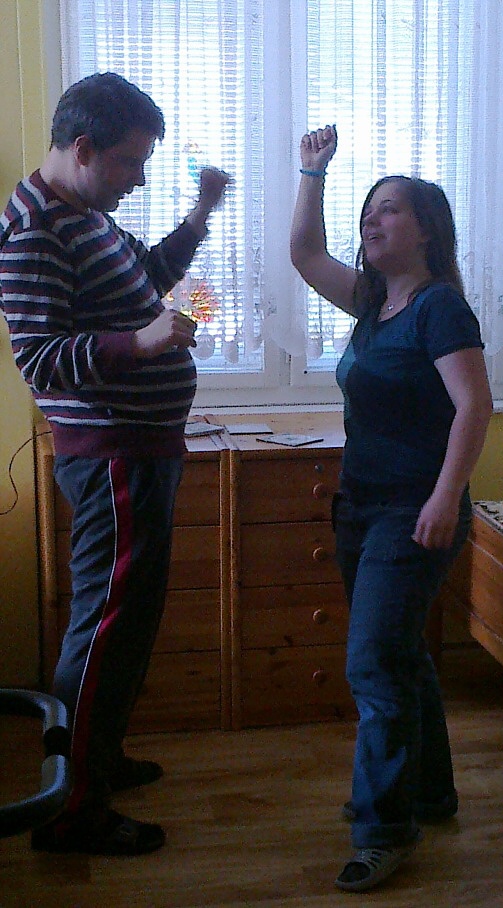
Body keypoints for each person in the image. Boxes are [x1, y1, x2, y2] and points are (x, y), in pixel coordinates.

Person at [0, 72, 230, 855]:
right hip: (111, 460)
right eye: (130, 162)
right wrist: (142, 342)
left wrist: (199, 215)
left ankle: (97, 759)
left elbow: (148, 277)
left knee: (126, 623)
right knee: (103, 628)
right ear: (83, 147)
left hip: (140, 451)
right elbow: (39, 360)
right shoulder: (36, 229)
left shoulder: (85, 215)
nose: (138, 179)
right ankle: (72, 811)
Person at [290, 125, 493, 893]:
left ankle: (383, 830)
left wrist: (444, 496)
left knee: (372, 662)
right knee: (400, 654)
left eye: (389, 209)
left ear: (426, 229)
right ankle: (431, 794)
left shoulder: (438, 308)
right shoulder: (374, 303)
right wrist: (312, 173)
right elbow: (305, 254)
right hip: (359, 507)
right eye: (368, 210)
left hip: (413, 511)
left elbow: (473, 405)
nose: (371, 219)